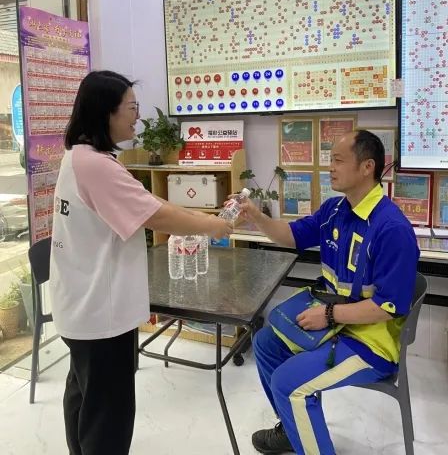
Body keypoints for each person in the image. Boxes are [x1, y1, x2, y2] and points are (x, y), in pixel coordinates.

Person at [49, 70, 232, 455]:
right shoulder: (97, 166)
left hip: (78, 306)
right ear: (107, 112)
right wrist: (213, 225)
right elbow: (157, 217)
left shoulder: (81, 157)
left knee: (84, 397)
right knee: (108, 416)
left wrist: (201, 216)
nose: (137, 116)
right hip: (101, 313)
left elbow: (148, 203)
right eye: (131, 108)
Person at [239, 130, 419, 455]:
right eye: (330, 160)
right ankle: (293, 430)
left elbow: (387, 307)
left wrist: (329, 315)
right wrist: (255, 216)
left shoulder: (392, 229)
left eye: (338, 160)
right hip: (336, 325)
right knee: (264, 342)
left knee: (288, 383)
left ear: (367, 167)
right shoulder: (335, 210)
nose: (330, 168)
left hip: (371, 344)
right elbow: (291, 235)